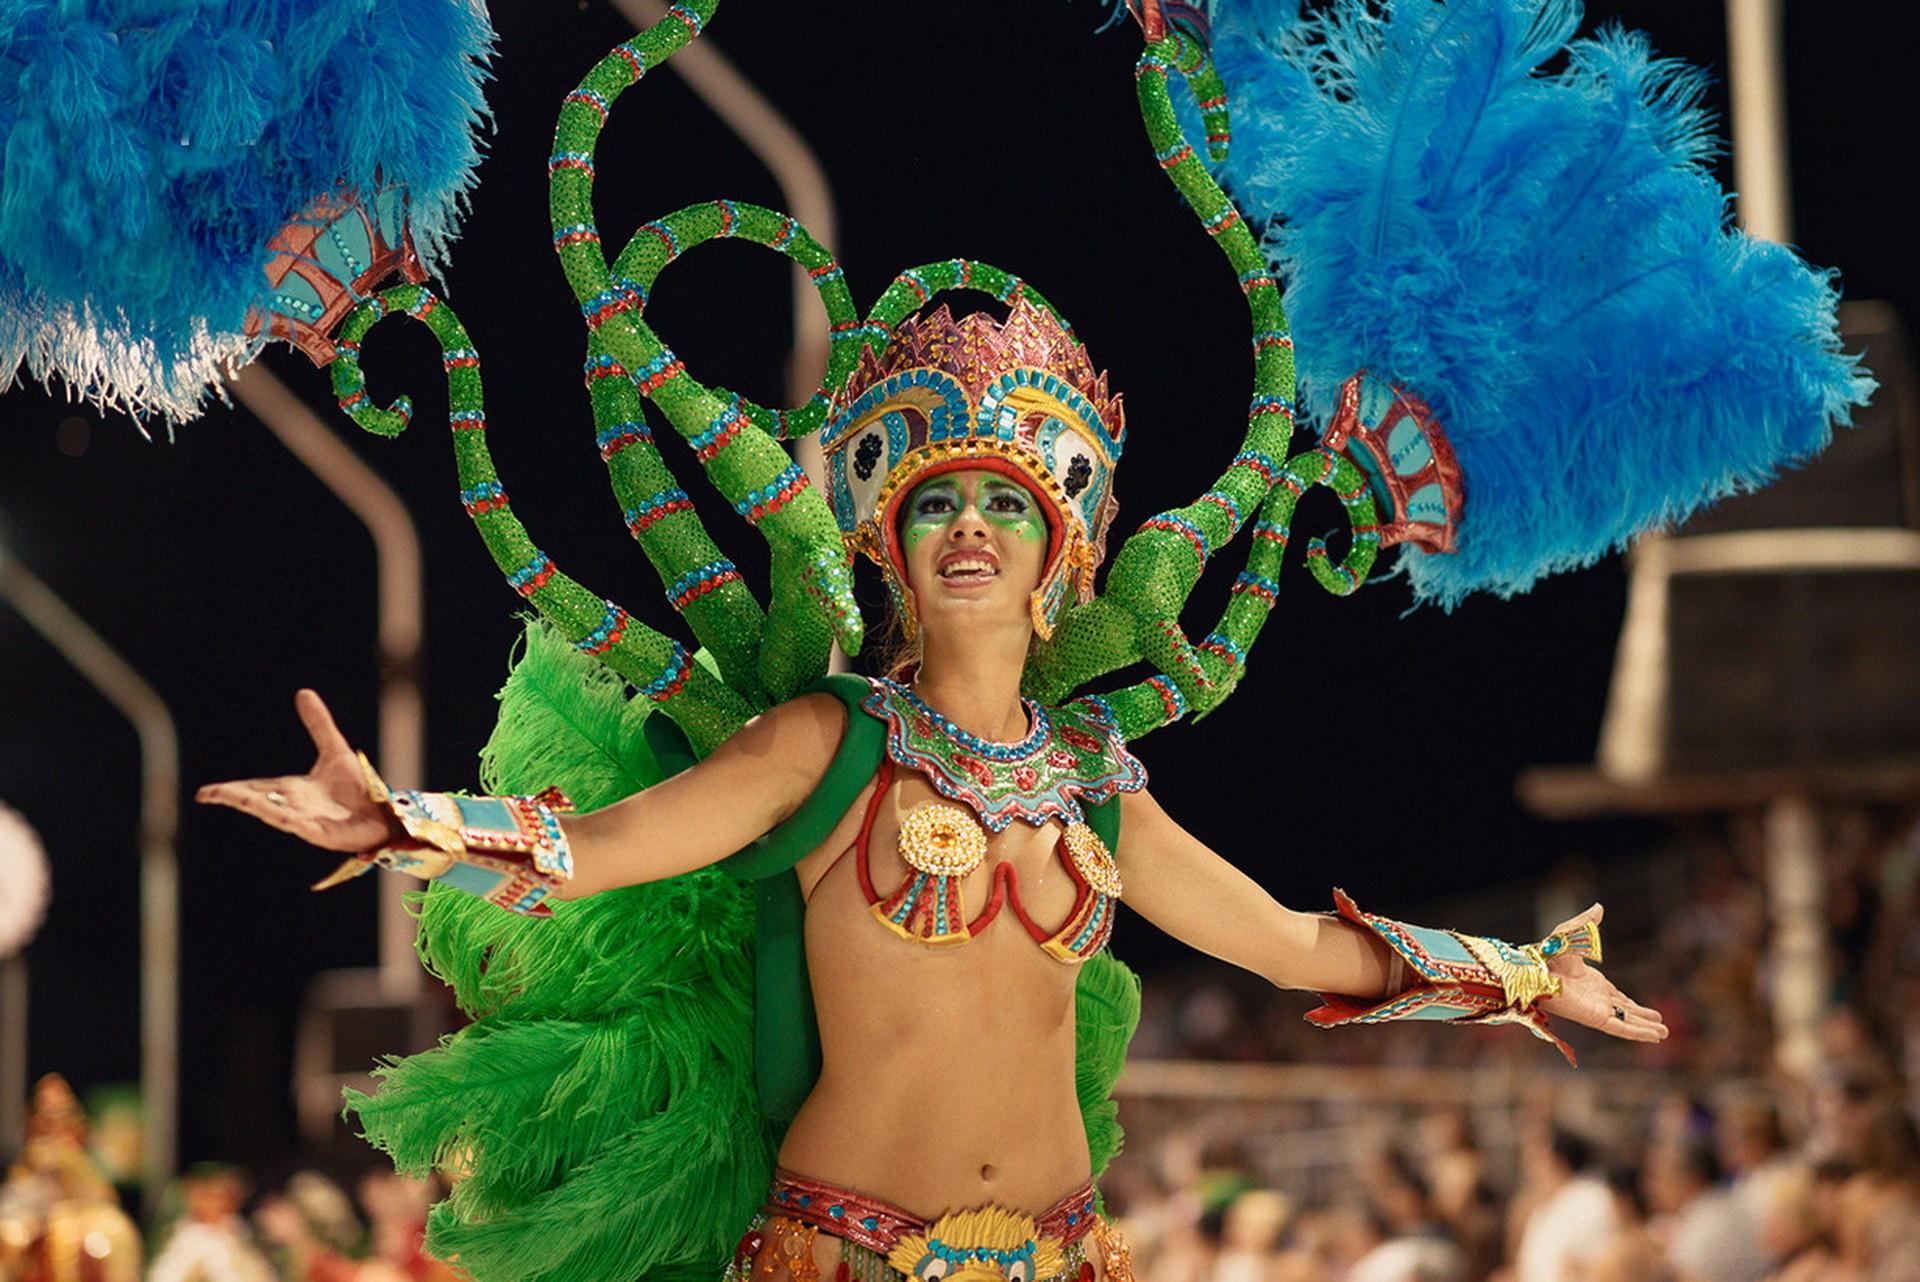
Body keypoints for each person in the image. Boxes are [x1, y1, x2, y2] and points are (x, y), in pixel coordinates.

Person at [201, 301, 1667, 1282]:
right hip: (843, 1250)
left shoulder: (1096, 783)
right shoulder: (826, 744)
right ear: (890, 548)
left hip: (1071, 1248)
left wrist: (1525, 973)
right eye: (939, 502)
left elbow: (1290, 942)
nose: (973, 524)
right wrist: (402, 821)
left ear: (1063, 557)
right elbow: (600, 850)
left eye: (1008, 502)